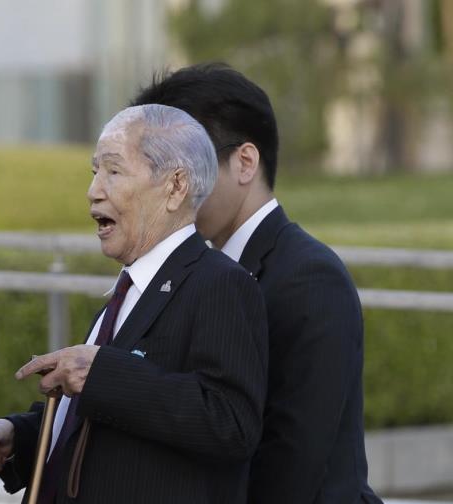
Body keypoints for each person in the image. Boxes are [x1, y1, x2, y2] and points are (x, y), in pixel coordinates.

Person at [0, 104, 269, 503]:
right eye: (94, 172)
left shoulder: (219, 283)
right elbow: (96, 427)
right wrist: (17, 436)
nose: (94, 190)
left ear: (175, 187)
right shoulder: (128, 291)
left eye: (113, 171)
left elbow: (231, 423)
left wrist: (101, 372)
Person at [132, 63, 383, 503]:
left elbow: (294, 459)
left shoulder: (308, 276)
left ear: (245, 161)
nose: (171, 186)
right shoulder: (192, 272)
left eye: (186, 164)